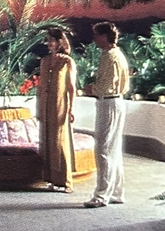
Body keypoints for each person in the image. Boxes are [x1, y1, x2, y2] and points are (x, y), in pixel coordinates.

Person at [84, 20, 130, 207]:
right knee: (113, 149)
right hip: (114, 102)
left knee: (103, 149)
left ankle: (101, 195)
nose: (94, 38)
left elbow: (105, 85)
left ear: (104, 36)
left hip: (109, 102)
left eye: (96, 35)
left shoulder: (110, 57)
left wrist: (91, 89)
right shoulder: (115, 55)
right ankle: (116, 192)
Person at [36, 27, 77, 192]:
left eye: (52, 40)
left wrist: (71, 109)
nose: (49, 43)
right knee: (47, 141)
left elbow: (71, 87)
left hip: (60, 105)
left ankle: (66, 181)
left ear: (59, 42)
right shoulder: (44, 61)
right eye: (48, 40)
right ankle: (51, 179)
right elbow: (40, 87)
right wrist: (39, 107)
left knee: (60, 140)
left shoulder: (67, 62)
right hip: (46, 105)